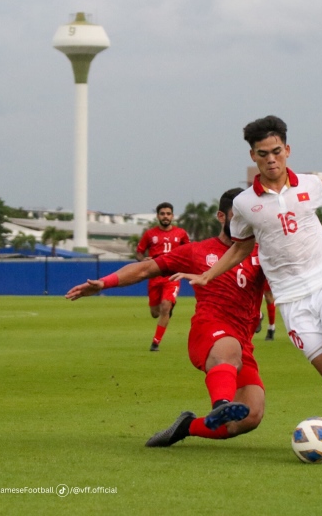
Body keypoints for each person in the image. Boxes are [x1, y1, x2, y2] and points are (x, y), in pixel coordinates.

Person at [182, 116, 322, 448]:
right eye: (262, 154)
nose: (271, 159)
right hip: (291, 298)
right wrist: (209, 275)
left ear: (287, 149)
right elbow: (241, 245)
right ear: (253, 157)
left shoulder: (310, 184)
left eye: (275, 151)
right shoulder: (244, 204)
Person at [66, 188, 266, 447]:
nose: (243, 223)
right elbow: (145, 268)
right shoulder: (197, 251)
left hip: (243, 341)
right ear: (221, 216)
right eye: (236, 216)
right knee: (228, 350)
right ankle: (222, 403)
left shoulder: (262, 252)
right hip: (210, 331)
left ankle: (187, 426)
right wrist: (104, 283)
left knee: (251, 416)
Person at [135, 202, 190, 351]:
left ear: (172, 216)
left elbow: (189, 250)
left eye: (168, 214)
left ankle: (155, 343)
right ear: (158, 216)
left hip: (172, 277)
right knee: (155, 313)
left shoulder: (181, 233)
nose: (165, 216)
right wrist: (142, 260)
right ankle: (168, 308)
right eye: (162, 214)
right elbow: (139, 252)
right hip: (154, 276)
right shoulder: (150, 234)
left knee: (165, 307)